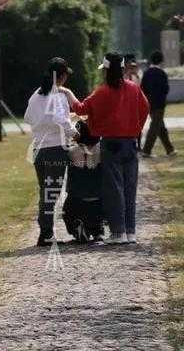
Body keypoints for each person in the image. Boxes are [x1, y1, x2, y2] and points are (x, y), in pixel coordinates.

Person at [69, 52, 149, 244]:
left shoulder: (102, 91)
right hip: (131, 142)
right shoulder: (133, 88)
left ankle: (118, 232)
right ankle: (130, 231)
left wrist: (67, 93)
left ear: (105, 70)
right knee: (130, 188)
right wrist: (135, 128)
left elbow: (80, 109)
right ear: (123, 69)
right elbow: (145, 108)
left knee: (114, 189)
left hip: (111, 144)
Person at [24, 56, 76, 246]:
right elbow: (61, 120)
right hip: (55, 149)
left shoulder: (36, 95)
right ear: (61, 77)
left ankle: (45, 232)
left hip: (38, 149)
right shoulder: (58, 96)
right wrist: (75, 134)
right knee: (51, 193)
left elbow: (28, 118)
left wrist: (41, 126)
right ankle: (45, 234)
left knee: (45, 191)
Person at [62, 119, 105, 243]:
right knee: (98, 211)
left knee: (67, 210)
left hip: (77, 199)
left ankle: (77, 229)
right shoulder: (102, 152)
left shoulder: (71, 152)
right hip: (98, 200)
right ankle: (98, 232)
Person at [140, 50, 176, 158]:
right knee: (155, 127)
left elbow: (143, 88)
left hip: (149, 103)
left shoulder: (146, 73)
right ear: (161, 61)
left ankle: (170, 149)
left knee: (160, 126)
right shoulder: (162, 73)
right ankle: (146, 150)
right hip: (159, 104)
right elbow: (166, 89)